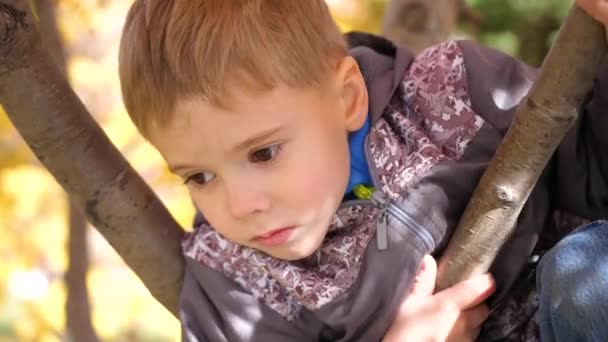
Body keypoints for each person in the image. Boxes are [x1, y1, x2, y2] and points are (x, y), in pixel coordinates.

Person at [117, 1, 608, 341]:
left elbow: (591, 159)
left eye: (264, 153)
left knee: (585, 278)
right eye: (199, 177)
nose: (241, 206)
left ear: (348, 98)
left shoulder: (449, 98)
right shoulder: (236, 280)